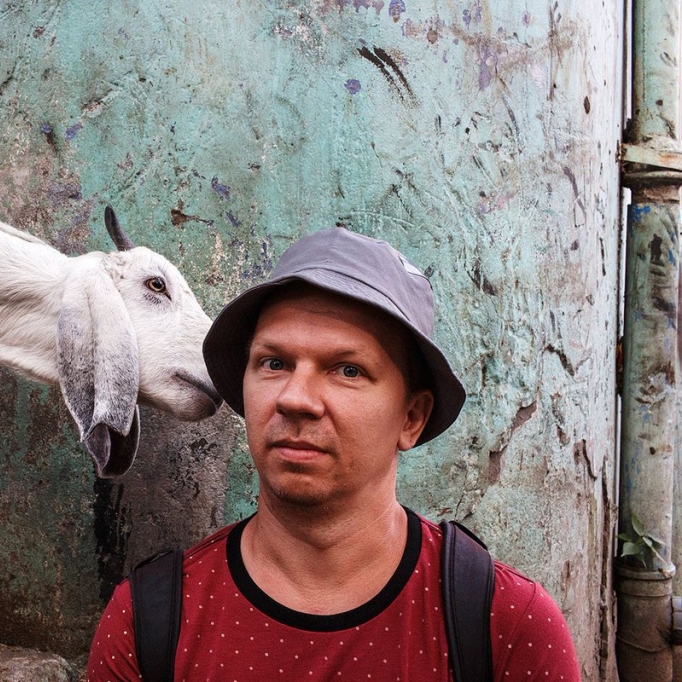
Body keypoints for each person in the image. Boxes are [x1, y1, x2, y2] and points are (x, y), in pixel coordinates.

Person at [87, 227, 581, 681]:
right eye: (274, 363)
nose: (295, 398)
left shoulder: (505, 625)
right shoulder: (149, 622)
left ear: (411, 418)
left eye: (348, 370)